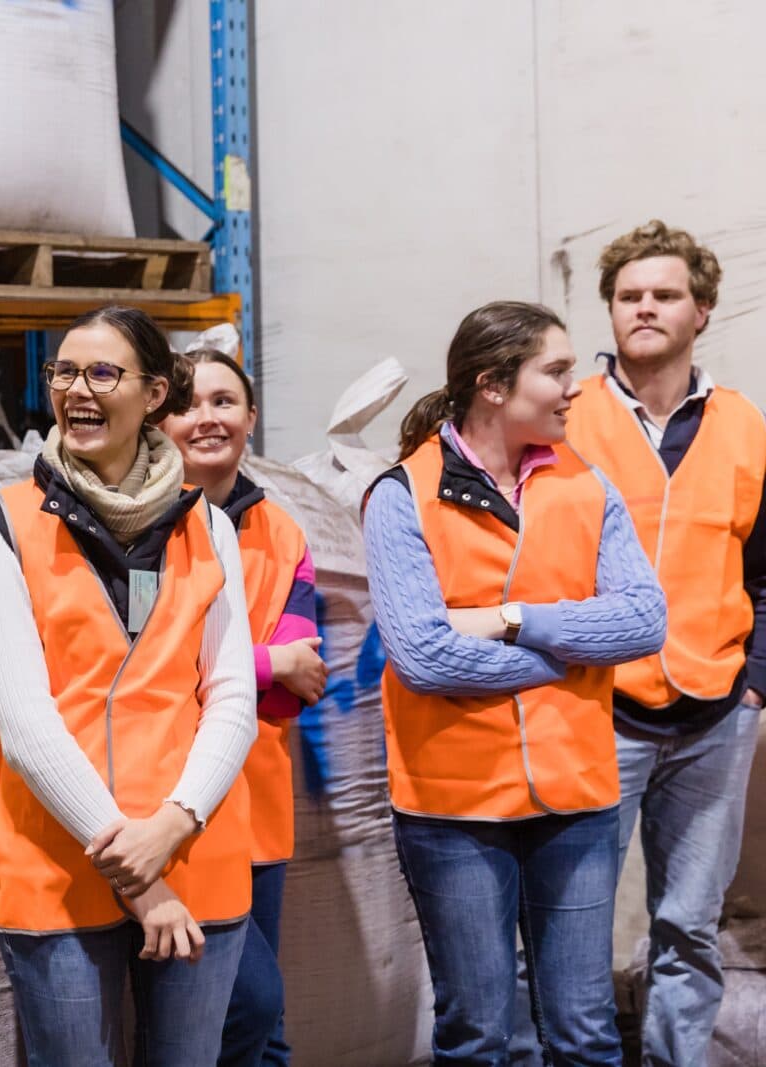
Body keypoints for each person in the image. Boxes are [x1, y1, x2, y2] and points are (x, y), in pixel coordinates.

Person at [362, 301, 666, 1065]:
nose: (577, 387)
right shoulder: (402, 494)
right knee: (479, 1034)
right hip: (453, 808)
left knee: (585, 1032)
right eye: (557, 371)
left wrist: (511, 618)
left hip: (578, 799)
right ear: (493, 384)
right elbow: (424, 656)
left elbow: (643, 621)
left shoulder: (587, 484)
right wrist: (572, 653)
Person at [0, 304, 260, 1065]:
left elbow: (232, 699)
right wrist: (141, 876)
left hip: (194, 856)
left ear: (155, 392)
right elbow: (28, 727)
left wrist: (173, 824)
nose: (77, 390)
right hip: (60, 872)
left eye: (103, 372)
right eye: (64, 372)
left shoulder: (209, 526)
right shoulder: (6, 525)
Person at [563, 221, 766, 1066]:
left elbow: (763, 568)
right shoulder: (566, 416)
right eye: (627, 296)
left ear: (703, 310)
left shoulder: (745, 425)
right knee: (569, 921)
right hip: (598, 709)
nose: (644, 307)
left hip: (716, 717)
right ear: (609, 312)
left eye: (664, 294)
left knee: (690, 923)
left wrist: (755, 683)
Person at [163, 348, 322, 1067]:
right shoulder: (144, 528)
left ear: (251, 417)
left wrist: (252, 669)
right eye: (188, 404)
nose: (207, 418)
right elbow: (150, 664)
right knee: (242, 1001)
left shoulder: (284, 534)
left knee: (267, 1018)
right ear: (158, 419)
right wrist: (264, 661)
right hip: (173, 810)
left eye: (224, 401)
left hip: (257, 805)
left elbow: (297, 687)